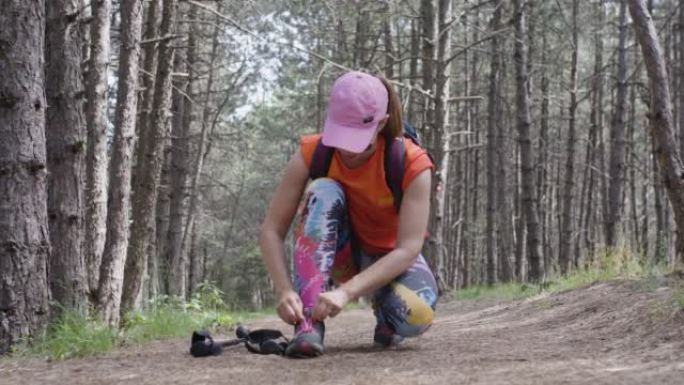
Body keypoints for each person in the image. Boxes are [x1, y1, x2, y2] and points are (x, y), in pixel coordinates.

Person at [259, 70, 438, 358]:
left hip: (390, 259)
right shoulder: (312, 153)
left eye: (358, 140)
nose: (347, 149)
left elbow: (408, 249)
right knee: (324, 190)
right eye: (341, 136)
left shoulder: (412, 162)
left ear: (381, 124)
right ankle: (308, 323)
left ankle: (386, 314)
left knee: (416, 313)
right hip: (342, 255)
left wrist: (347, 293)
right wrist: (284, 290)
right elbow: (271, 230)